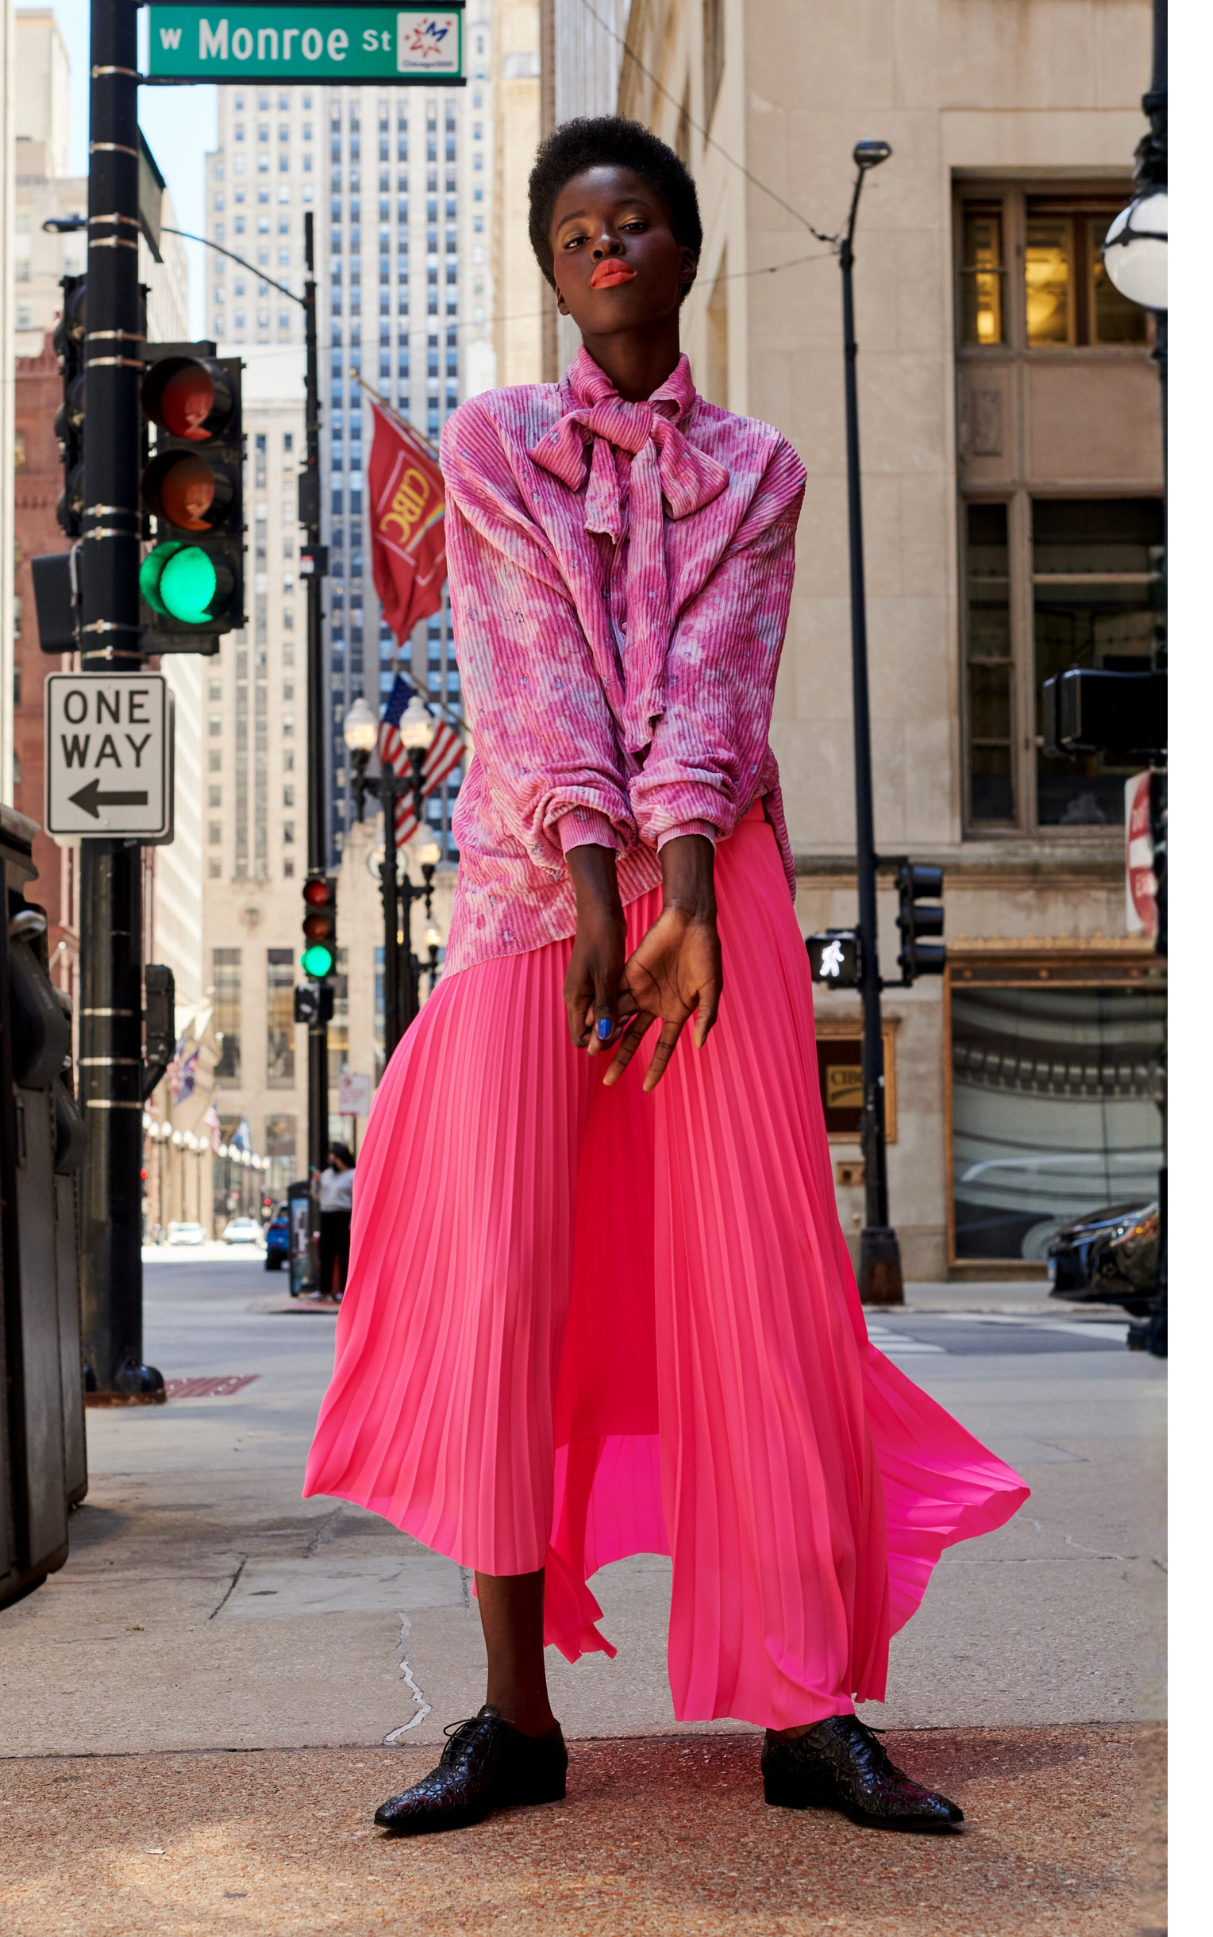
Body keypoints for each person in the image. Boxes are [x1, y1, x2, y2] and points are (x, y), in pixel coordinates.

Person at [304, 118, 1030, 1839]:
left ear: (685, 250)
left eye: (632, 222)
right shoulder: (491, 441)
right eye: (575, 235)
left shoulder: (761, 467)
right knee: (503, 1294)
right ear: (554, 277)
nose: (606, 249)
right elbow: (531, 672)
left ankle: (809, 1708)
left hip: (718, 893)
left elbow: (719, 676)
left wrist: (683, 886)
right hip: (524, 901)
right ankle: (515, 1717)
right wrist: (591, 885)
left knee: (766, 1296)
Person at [315, 1144, 357, 1300]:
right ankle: (323, 1290)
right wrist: (316, 1182)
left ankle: (343, 1290)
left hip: (343, 1214)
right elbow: (317, 1195)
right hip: (326, 1213)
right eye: (331, 1160)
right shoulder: (326, 1174)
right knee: (325, 1253)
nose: (334, 1163)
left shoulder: (353, 1174)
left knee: (344, 1253)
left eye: (336, 1159)